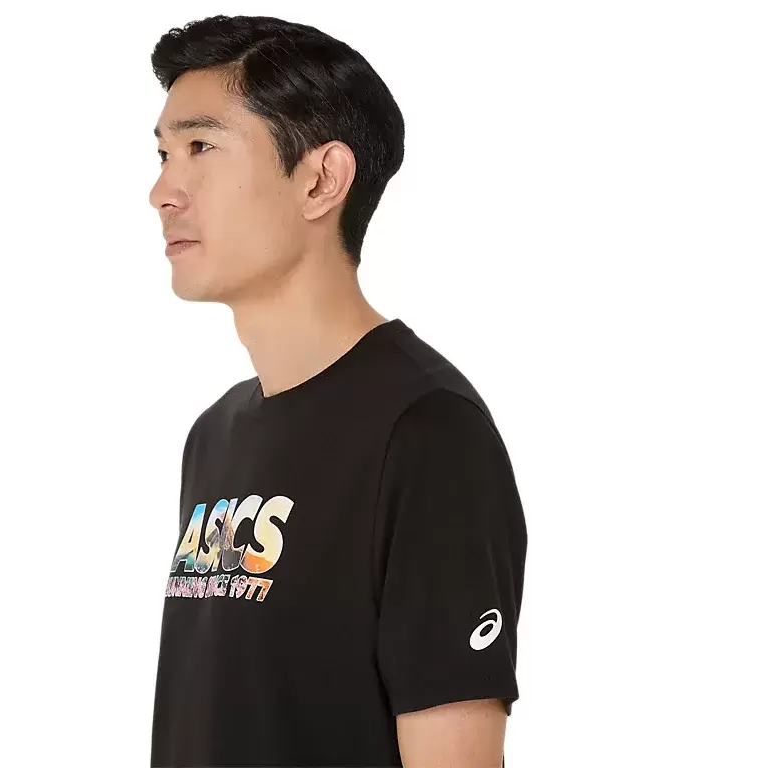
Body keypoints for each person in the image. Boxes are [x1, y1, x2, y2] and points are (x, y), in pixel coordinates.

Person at [147, 14, 527, 768]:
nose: (162, 191)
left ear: (321, 180)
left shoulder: (426, 432)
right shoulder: (214, 435)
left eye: (201, 148)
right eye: (162, 154)